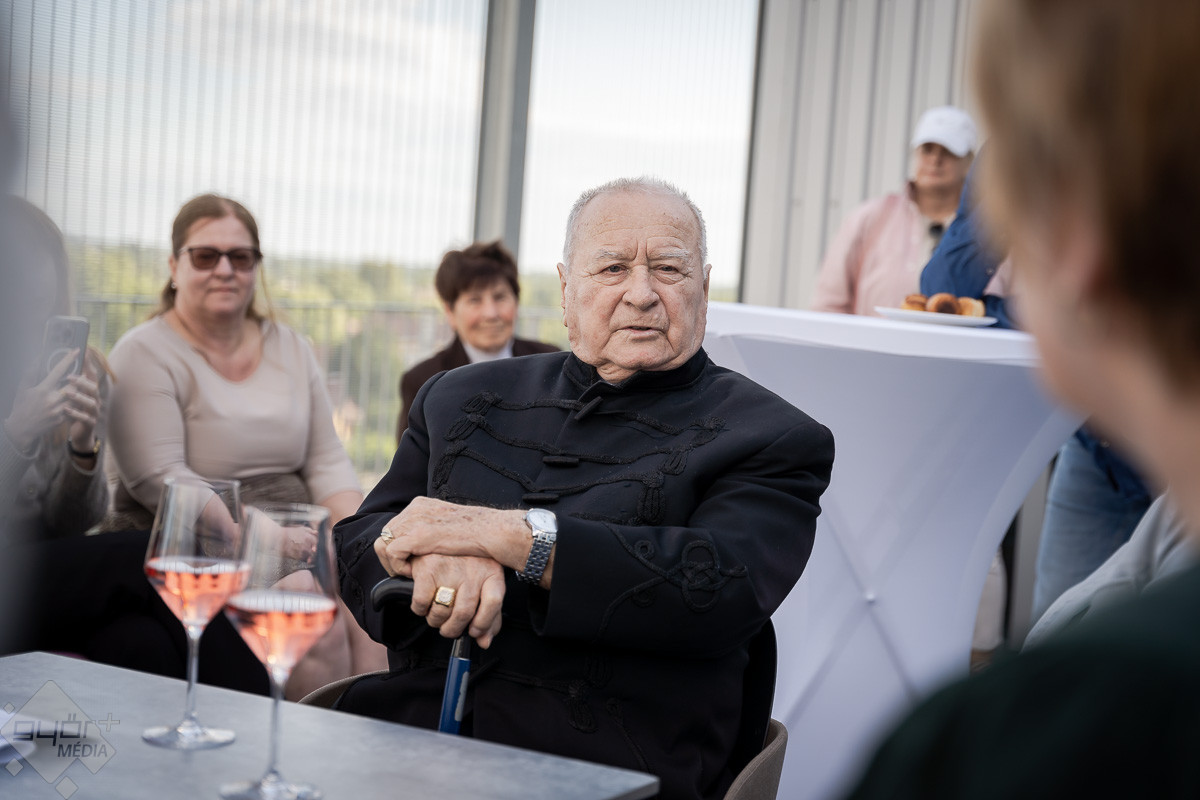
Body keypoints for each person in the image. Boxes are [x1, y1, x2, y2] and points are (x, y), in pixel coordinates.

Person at [336, 177, 835, 800]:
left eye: (668, 268)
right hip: (413, 733)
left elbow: (715, 587)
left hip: (614, 761)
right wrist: (434, 563)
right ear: (566, 288)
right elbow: (360, 537)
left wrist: (511, 538)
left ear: (704, 289)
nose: (642, 294)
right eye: (612, 268)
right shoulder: (457, 397)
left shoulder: (773, 436)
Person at [842, 0, 1200, 796]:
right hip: (1096, 456)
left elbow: (951, 290)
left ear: (1073, 240)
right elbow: (948, 283)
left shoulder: (986, 749)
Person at [61, 194, 380, 698]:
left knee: (369, 599)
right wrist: (270, 538)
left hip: (297, 532)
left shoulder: (292, 348)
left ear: (256, 266)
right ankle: (298, 737)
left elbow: (327, 462)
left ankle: (368, 733)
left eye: (240, 257)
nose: (225, 269)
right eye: (206, 256)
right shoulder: (144, 351)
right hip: (199, 541)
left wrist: (357, 538)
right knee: (303, 597)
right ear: (174, 266)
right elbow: (163, 478)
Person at [0, 198, 108, 542]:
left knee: (137, 548)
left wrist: (83, 445)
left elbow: (73, 525)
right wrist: (17, 433)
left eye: (37, 257)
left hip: (51, 556)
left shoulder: (82, 367)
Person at [812, 106, 977, 316]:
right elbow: (828, 304)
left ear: (969, 161)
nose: (935, 160)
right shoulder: (869, 218)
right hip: (872, 338)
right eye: (927, 149)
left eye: (948, 151)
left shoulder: (988, 229)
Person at [396, 239, 557, 443]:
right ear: (450, 312)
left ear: (516, 302)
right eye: (475, 300)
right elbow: (412, 461)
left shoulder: (551, 364)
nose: (491, 314)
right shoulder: (423, 381)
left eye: (500, 297)